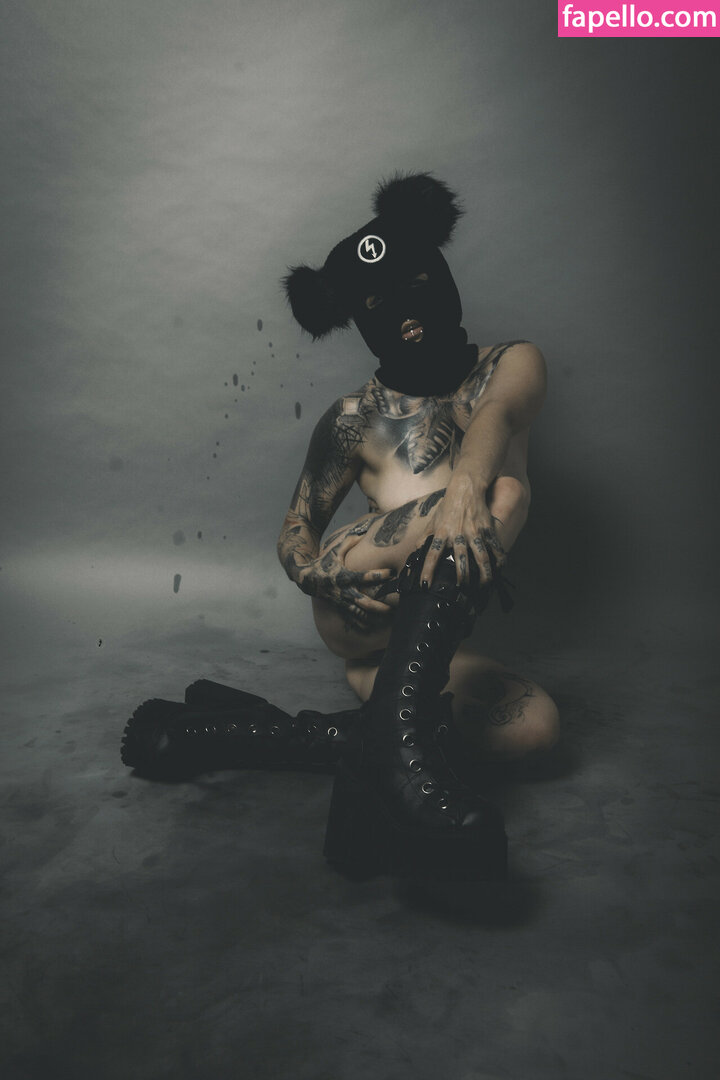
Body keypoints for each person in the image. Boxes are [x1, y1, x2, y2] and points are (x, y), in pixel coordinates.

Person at [121, 173, 558, 880]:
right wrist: (313, 573)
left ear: (440, 274)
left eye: (416, 284)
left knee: (533, 732)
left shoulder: (507, 364)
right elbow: (297, 527)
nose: (404, 312)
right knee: (505, 492)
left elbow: (497, 417)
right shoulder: (354, 418)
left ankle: (250, 732)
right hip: (357, 604)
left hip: (398, 651)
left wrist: (462, 489)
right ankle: (393, 757)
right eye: (377, 304)